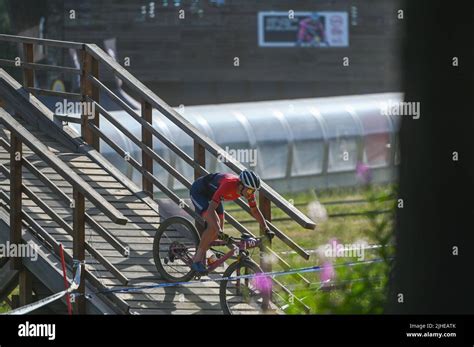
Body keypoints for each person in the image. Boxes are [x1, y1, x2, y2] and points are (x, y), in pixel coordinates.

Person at [189, 170, 272, 273]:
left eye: (254, 191)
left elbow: (255, 211)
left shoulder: (247, 191)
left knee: (216, 234)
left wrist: (266, 228)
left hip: (214, 196)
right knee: (214, 227)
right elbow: (210, 210)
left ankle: (205, 257)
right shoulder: (228, 185)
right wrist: (217, 229)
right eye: (250, 190)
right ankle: (196, 260)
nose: (251, 194)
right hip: (199, 192)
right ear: (241, 185)